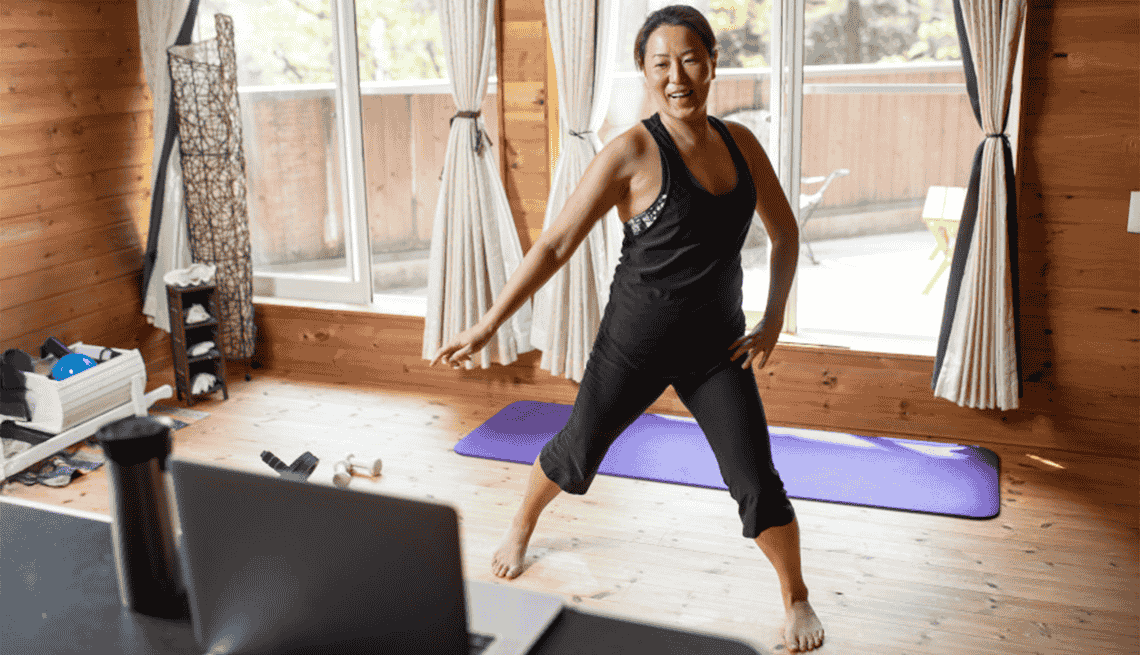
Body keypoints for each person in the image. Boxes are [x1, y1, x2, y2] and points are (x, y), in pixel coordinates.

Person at [431, 5, 825, 652]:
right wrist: (488, 322)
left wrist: (774, 318)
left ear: (714, 61)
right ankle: (521, 527)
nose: (678, 76)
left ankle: (797, 595)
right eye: (660, 63)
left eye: (690, 59)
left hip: (717, 351)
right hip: (633, 345)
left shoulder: (743, 145)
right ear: (643, 72)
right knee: (577, 449)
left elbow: (785, 234)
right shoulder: (633, 150)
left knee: (756, 479)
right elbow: (555, 244)